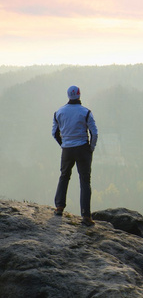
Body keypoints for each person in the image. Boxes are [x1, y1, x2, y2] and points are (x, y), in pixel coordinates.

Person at [52, 85, 98, 226]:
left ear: (68, 95)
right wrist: (91, 148)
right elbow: (94, 133)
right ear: (79, 95)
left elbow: (54, 133)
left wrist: (64, 144)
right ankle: (86, 216)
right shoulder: (85, 112)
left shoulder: (59, 112)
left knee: (64, 176)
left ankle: (59, 207)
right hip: (82, 148)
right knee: (85, 181)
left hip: (67, 149)